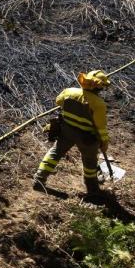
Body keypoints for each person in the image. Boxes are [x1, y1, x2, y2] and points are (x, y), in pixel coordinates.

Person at [33, 69, 111, 200]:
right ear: (99, 87)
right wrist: (104, 142)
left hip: (66, 130)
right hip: (87, 137)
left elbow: (58, 101)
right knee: (90, 162)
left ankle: (39, 179)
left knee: (55, 152)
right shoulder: (99, 104)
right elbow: (100, 127)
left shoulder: (69, 92)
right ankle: (92, 190)